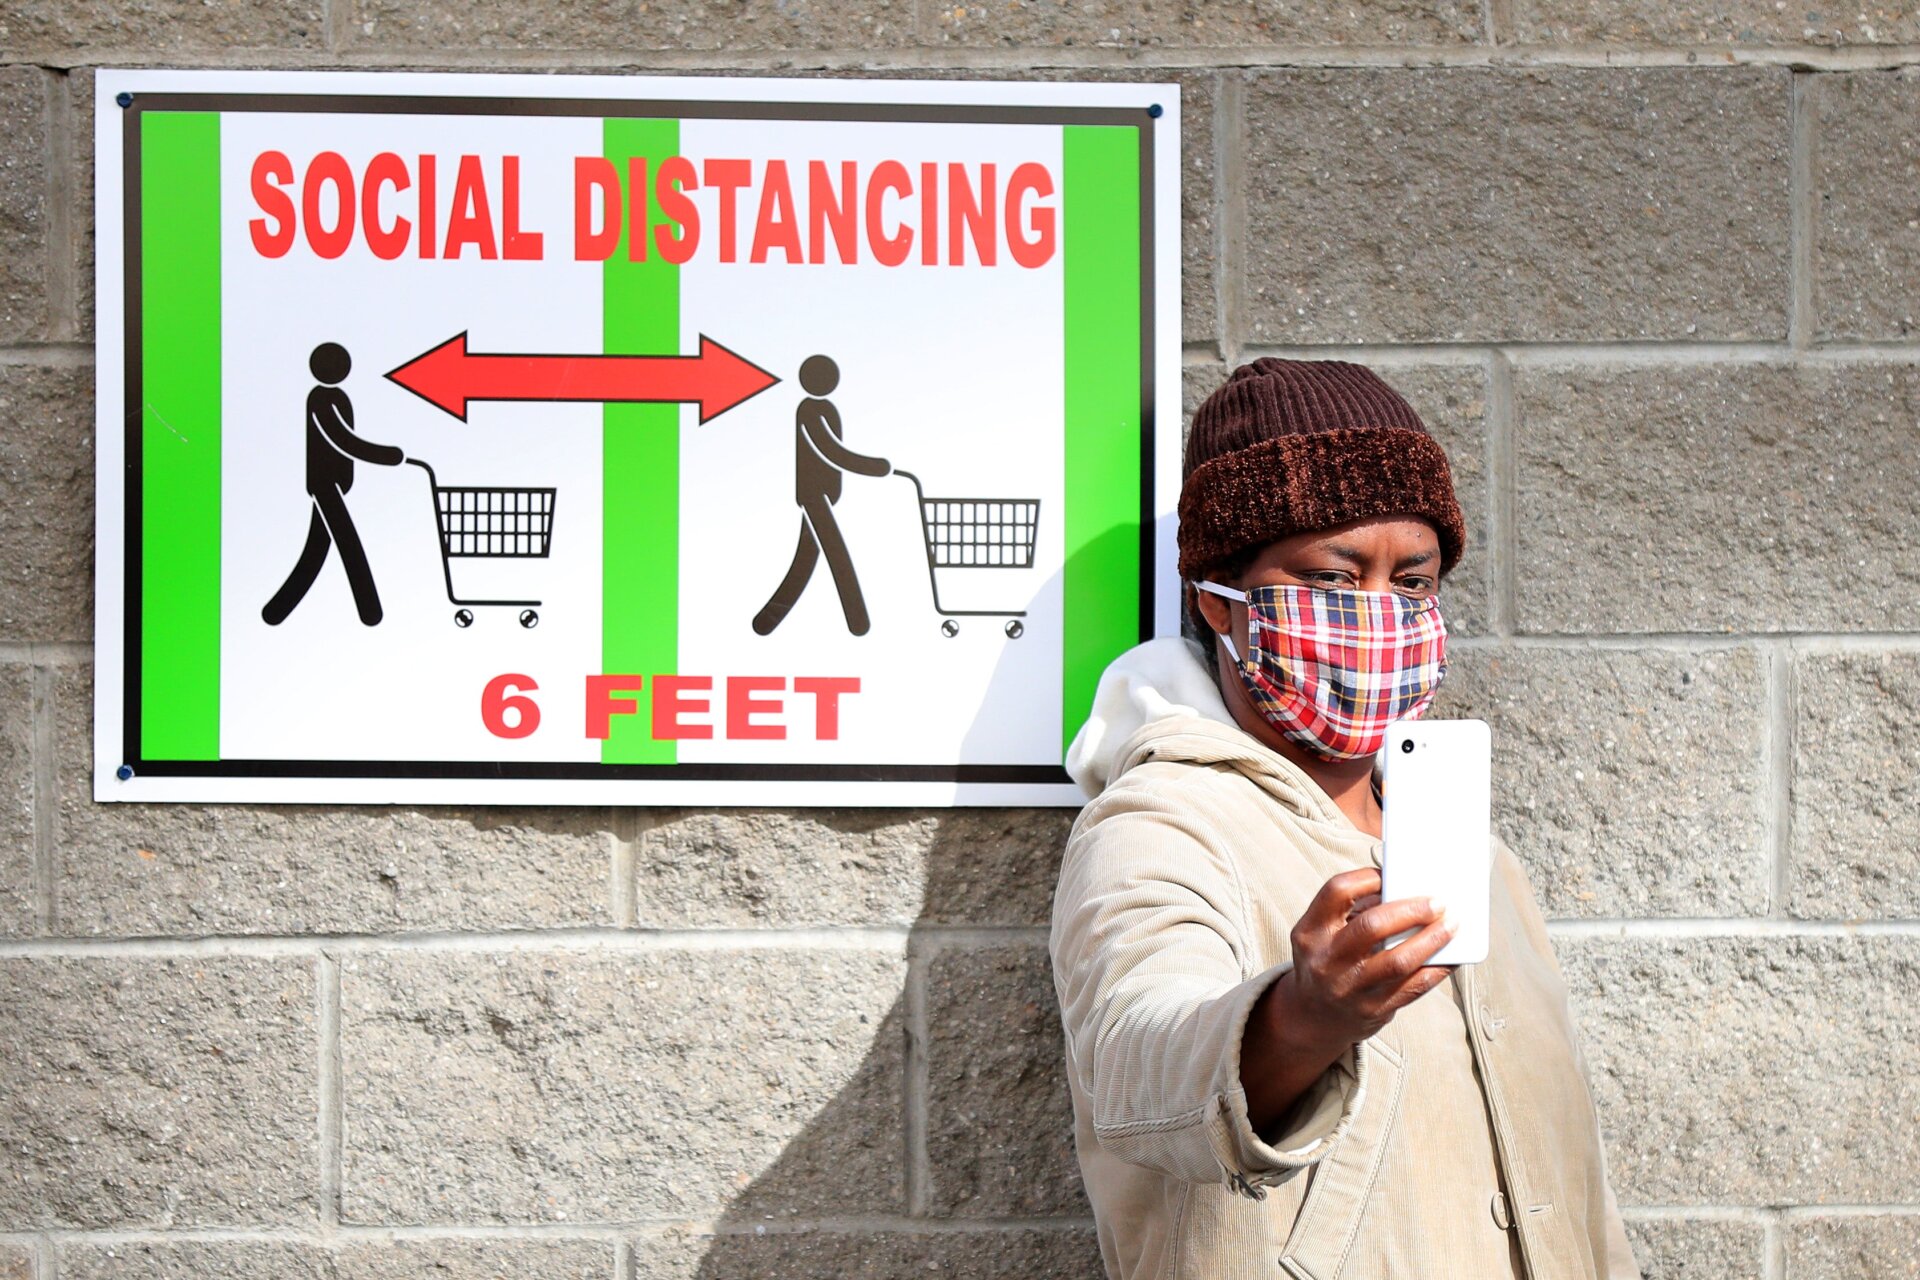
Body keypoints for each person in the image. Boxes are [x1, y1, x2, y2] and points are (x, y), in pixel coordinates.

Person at [1051, 359, 1638, 1278]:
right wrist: (1297, 1019)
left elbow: (1571, 1171)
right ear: (1221, 605)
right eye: (1332, 579)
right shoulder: (1160, 822)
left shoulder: (1470, 854)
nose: (1378, 615)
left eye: (1412, 582)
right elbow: (1135, 1066)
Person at [262, 342, 406, 627]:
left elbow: (343, 439)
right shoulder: (321, 400)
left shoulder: (337, 397)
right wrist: (387, 456)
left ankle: (277, 610)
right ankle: (370, 611)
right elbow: (340, 438)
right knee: (348, 543)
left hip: (335, 483)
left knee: (316, 551)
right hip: (325, 483)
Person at [752, 354, 890, 637]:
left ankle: (767, 621)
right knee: (836, 555)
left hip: (823, 493)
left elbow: (831, 450)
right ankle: (858, 621)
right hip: (815, 495)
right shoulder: (810, 411)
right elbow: (829, 449)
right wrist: (876, 467)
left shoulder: (824, 408)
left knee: (807, 559)